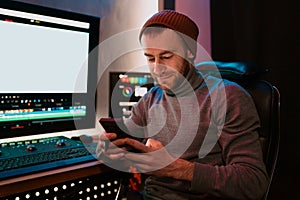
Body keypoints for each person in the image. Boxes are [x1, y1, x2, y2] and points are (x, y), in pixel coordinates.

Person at [97, 10, 269, 200]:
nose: (156, 69)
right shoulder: (151, 98)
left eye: (166, 57)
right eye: (150, 58)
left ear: (190, 52)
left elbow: (254, 183)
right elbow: (125, 143)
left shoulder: (228, 97)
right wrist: (109, 149)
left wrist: (177, 169)